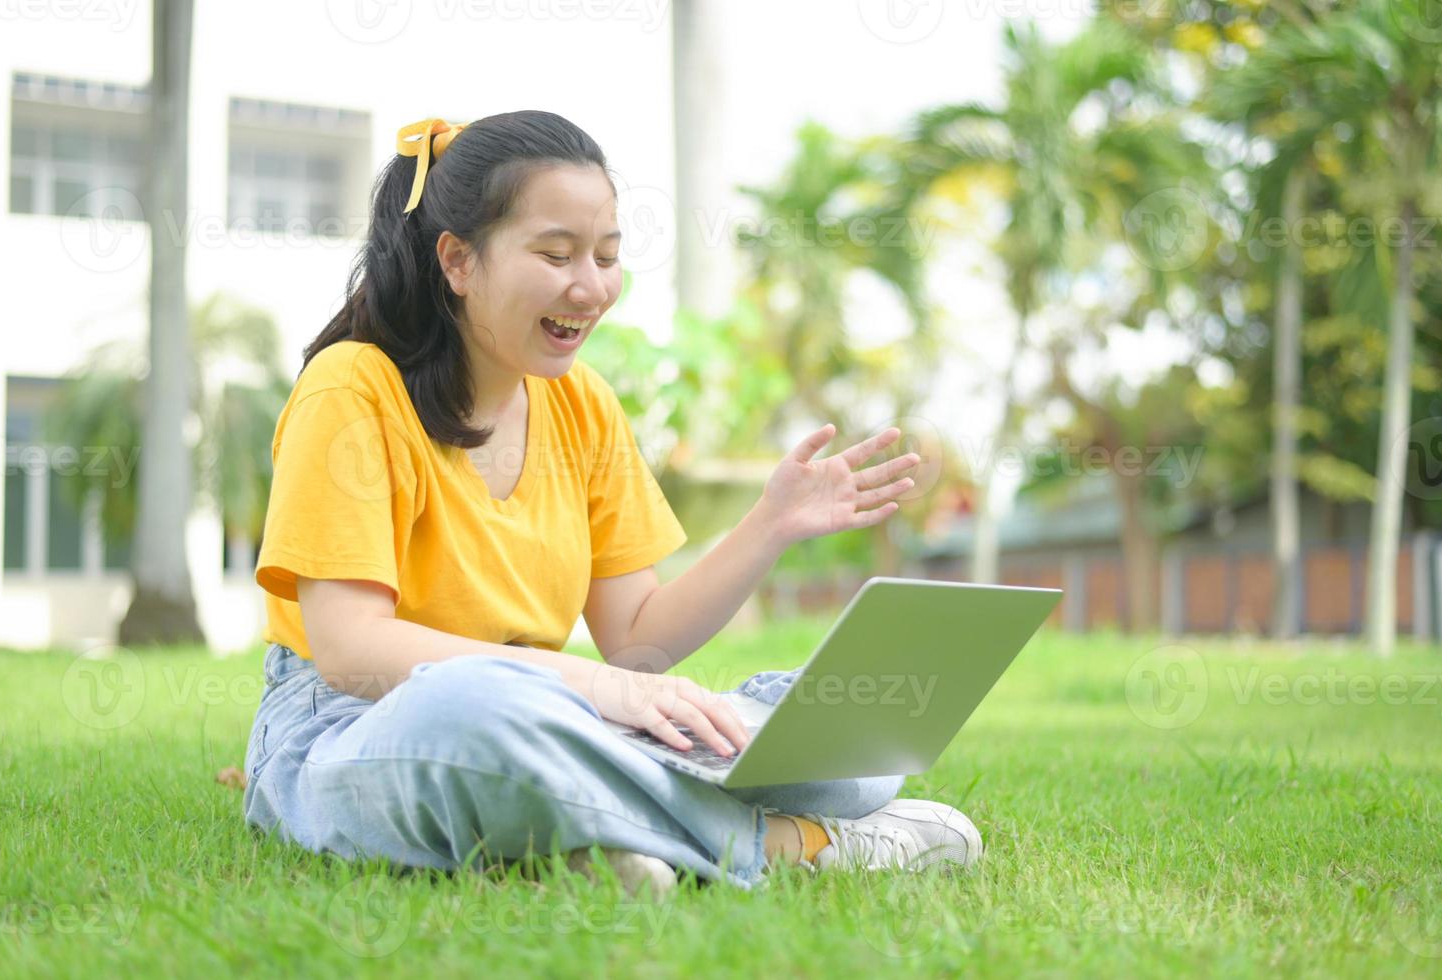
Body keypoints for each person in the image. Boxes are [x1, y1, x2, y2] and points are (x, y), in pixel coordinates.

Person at [242, 109, 982, 894]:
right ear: (457, 260)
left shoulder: (581, 404)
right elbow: (354, 654)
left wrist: (768, 526)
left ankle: (584, 845)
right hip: (358, 725)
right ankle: (791, 846)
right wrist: (592, 686)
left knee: (848, 758)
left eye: (606, 255)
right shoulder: (350, 388)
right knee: (474, 714)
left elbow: (635, 640)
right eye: (556, 254)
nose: (591, 287)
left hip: (557, 717)